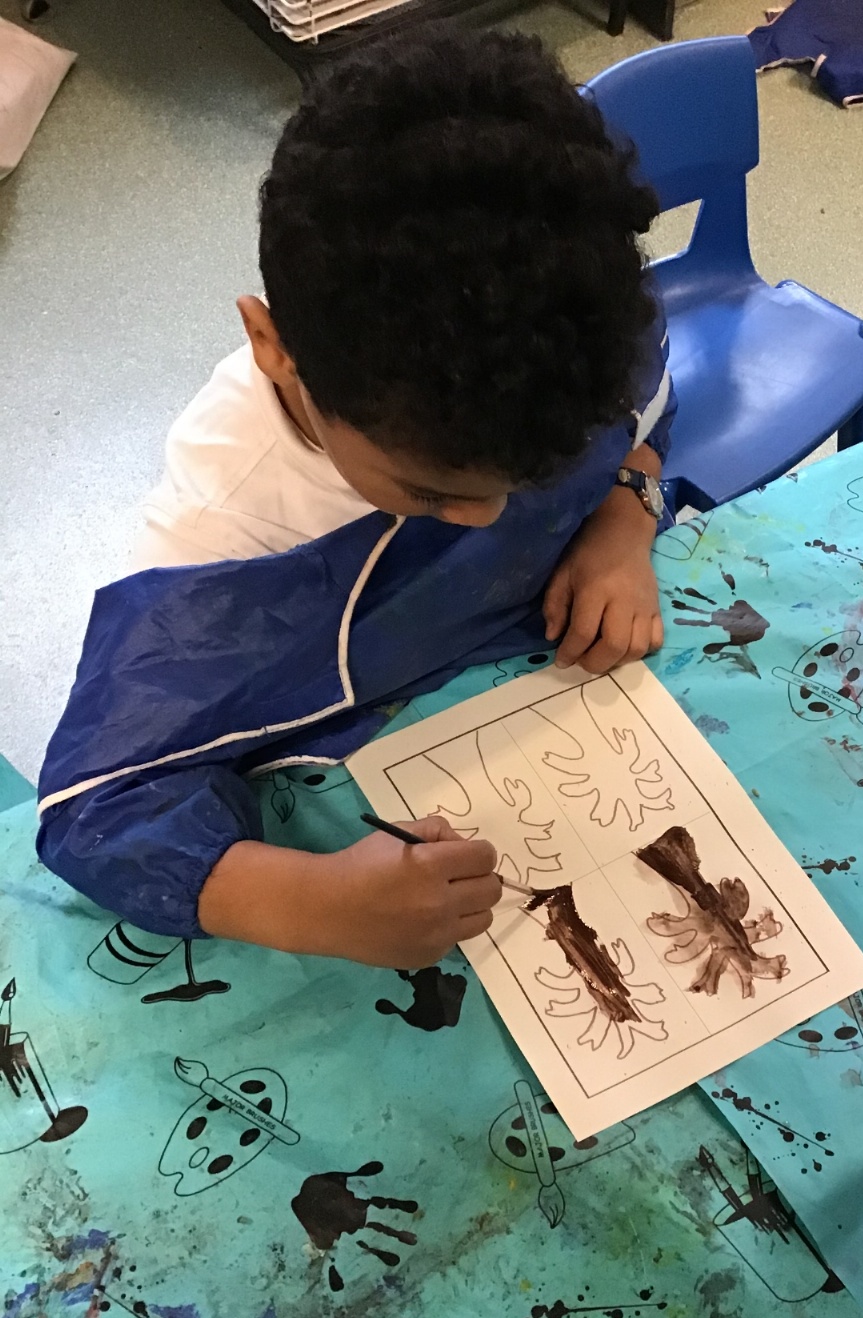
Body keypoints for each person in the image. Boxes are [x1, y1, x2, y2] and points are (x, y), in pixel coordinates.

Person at [36, 26, 675, 970]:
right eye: (432, 493)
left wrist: (623, 514)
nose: (490, 517)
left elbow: (647, 410)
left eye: (526, 483)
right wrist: (310, 904)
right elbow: (95, 810)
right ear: (273, 348)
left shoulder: (568, 338)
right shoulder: (226, 528)